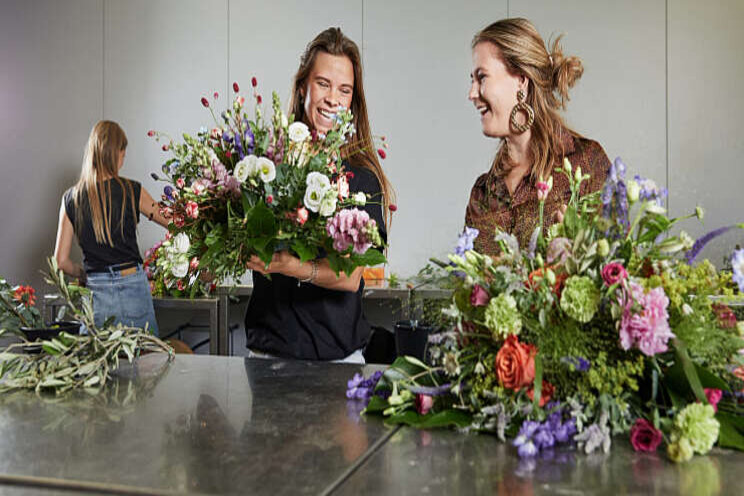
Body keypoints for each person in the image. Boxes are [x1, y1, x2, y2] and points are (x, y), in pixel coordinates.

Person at [243, 27, 395, 363]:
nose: (332, 99)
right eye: (323, 83)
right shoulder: (265, 166)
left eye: (344, 90)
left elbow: (351, 276)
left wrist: (289, 266)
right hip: (268, 356)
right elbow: (241, 240)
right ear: (302, 89)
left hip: (338, 361)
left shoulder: (362, 179)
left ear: (352, 103)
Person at [465, 18, 611, 255]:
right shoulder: (483, 193)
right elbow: (470, 286)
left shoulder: (587, 164)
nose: (472, 93)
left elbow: (620, 270)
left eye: (482, 77)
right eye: (471, 80)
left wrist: (584, 251)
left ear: (521, 80)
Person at [54, 120, 169, 333]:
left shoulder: (71, 198)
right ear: (117, 153)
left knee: (100, 363)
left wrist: (82, 274)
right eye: (123, 155)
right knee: (145, 361)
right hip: (133, 285)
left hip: (96, 290)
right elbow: (173, 222)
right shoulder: (131, 190)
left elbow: (60, 261)